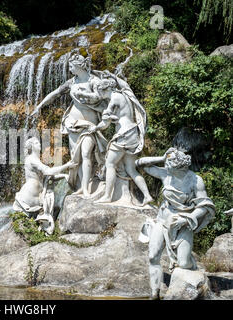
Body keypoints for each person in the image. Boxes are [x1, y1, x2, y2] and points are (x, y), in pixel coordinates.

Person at [137, 148, 215, 299]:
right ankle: (155, 293)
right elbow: (139, 164)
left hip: (184, 223)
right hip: (163, 220)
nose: (166, 166)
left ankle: (190, 265)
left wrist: (187, 219)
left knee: (184, 263)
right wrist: (162, 156)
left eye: (169, 164)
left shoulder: (195, 180)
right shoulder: (166, 174)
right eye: (166, 164)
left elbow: (205, 206)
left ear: (179, 167)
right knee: (153, 256)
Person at [31, 54, 107, 198]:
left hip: (89, 124)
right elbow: (55, 93)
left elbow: (100, 97)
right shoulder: (72, 82)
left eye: (71, 66)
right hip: (72, 123)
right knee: (76, 157)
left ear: (79, 66)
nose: (70, 69)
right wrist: (40, 105)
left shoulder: (94, 82)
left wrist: (83, 94)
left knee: (86, 154)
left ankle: (86, 188)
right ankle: (79, 187)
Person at [82, 78, 153, 206]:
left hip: (124, 135)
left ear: (106, 89)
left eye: (100, 91)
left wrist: (95, 128)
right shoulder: (124, 95)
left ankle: (107, 196)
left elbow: (105, 123)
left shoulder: (114, 98)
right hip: (133, 134)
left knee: (110, 163)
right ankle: (147, 196)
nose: (99, 94)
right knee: (131, 169)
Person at [13, 137, 77, 234]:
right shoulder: (32, 159)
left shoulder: (35, 159)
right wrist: (67, 166)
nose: (39, 144)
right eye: (36, 143)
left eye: (39, 142)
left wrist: (63, 175)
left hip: (36, 195)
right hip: (29, 195)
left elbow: (48, 176)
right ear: (31, 147)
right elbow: (48, 171)